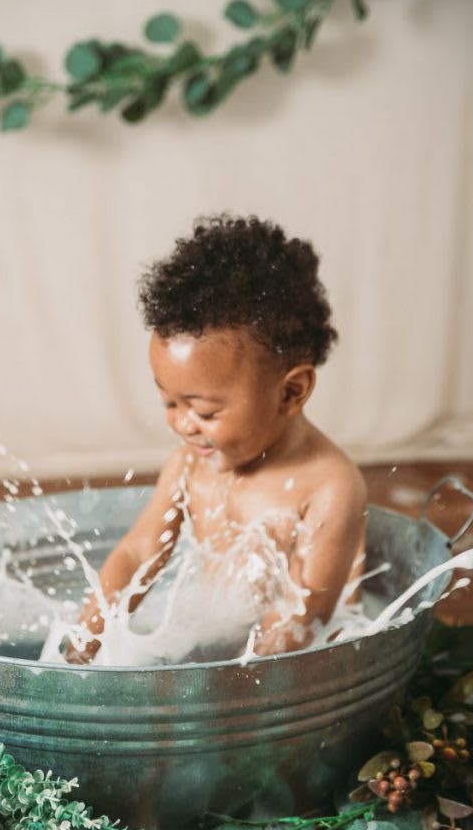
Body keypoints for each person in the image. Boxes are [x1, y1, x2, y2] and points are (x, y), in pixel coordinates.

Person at [65, 215, 366, 663]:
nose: (184, 425)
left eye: (205, 411)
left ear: (290, 392)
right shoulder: (191, 464)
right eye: (169, 402)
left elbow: (302, 616)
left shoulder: (329, 487)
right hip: (219, 642)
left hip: (295, 664)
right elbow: (138, 551)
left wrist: (227, 691)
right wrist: (80, 649)